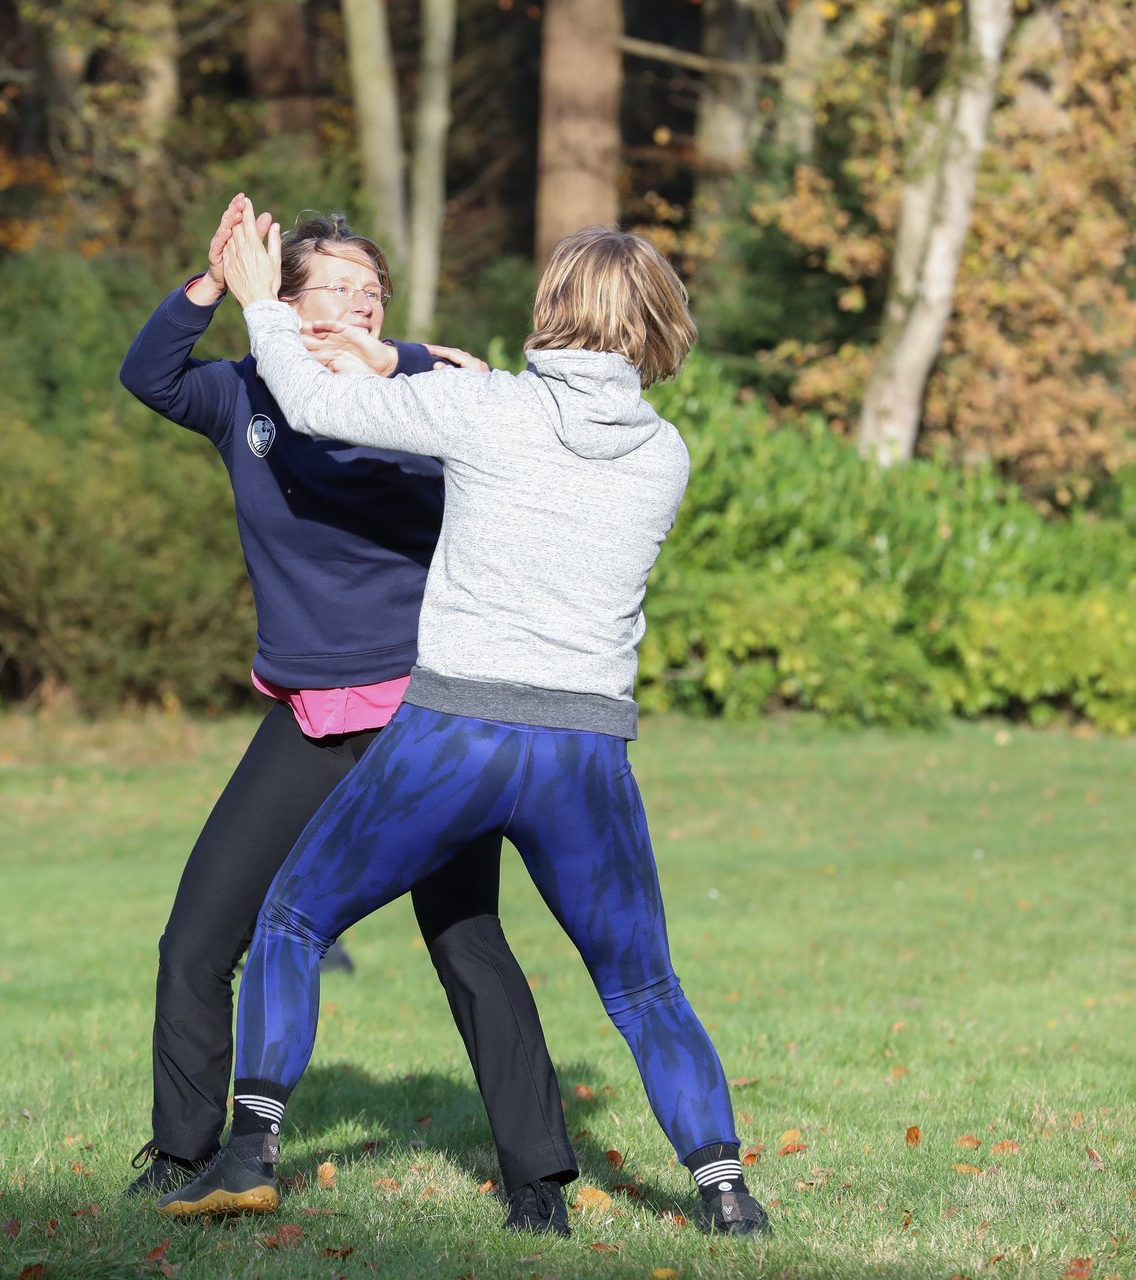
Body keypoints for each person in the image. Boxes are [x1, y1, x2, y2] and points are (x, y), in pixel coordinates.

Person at [156, 205, 772, 1238]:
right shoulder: (665, 454)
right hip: (584, 751)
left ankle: (251, 1143)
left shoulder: (488, 412)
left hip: (457, 734)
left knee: (296, 919)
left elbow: (305, 405)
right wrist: (391, 354)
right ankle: (725, 1191)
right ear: (657, 325)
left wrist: (266, 303)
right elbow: (479, 402)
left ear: (551, 308)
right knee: (644, 981)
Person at [117, 194, 581, 1233]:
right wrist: (208, 283)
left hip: (426, 713)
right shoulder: (243, 396)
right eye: (333, 287)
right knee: (195, 939)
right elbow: (148, 374)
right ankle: (181, 1154)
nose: (357, 305)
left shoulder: (422, 395)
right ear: (276, 301)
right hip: (308, 713)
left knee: (465, 938)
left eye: (371, 291)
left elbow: (479, 380)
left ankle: (538, 1180)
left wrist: (399, 348)